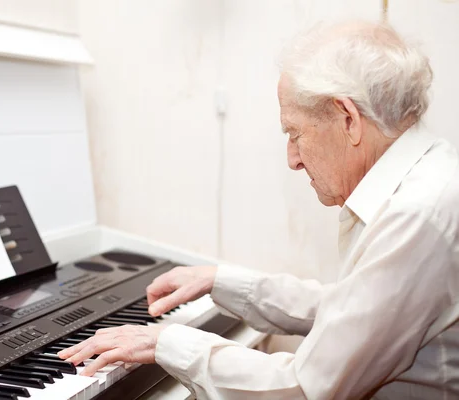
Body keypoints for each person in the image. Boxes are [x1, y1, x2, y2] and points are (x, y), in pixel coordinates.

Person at [58, 20, 459, 399]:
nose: (293, 159)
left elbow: (303, 388)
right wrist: (223, 281)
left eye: (295, 133)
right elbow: (354, 312)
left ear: (348, 119)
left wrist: (165, 340)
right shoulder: (425, 179)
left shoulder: (414, 214)